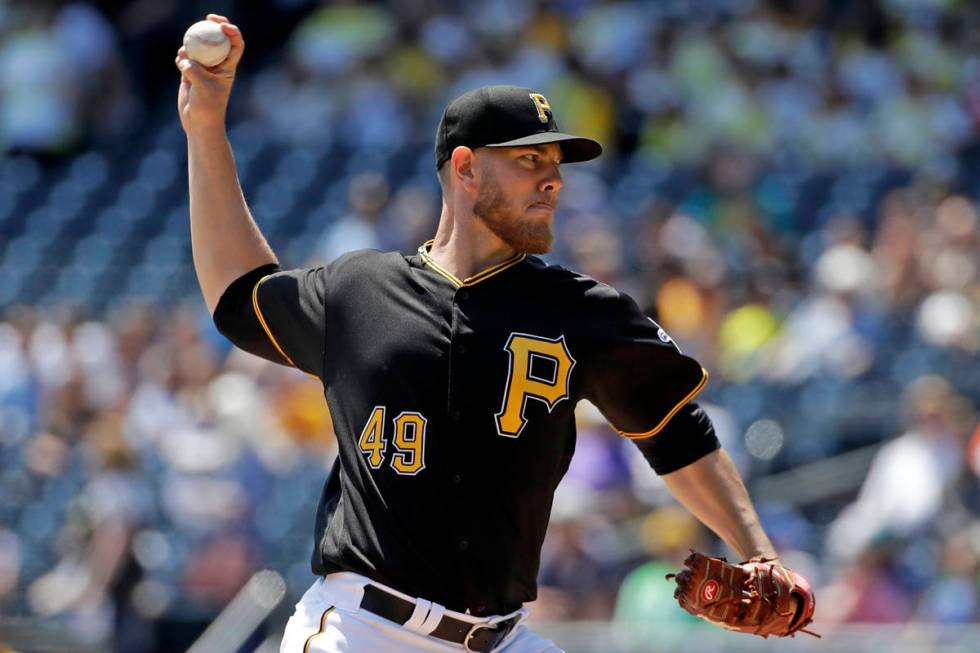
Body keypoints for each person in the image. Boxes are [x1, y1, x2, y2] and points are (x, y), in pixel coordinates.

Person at [176, 14, 803, 653]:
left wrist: (758, 553)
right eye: (531, 159)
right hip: (364, 629)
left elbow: (677, 432)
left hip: (500, 638)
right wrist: (205, 129)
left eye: (556, 162)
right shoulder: (360, 290)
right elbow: (237, 295)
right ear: (467, 168)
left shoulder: (582, 310)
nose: (553, 178)